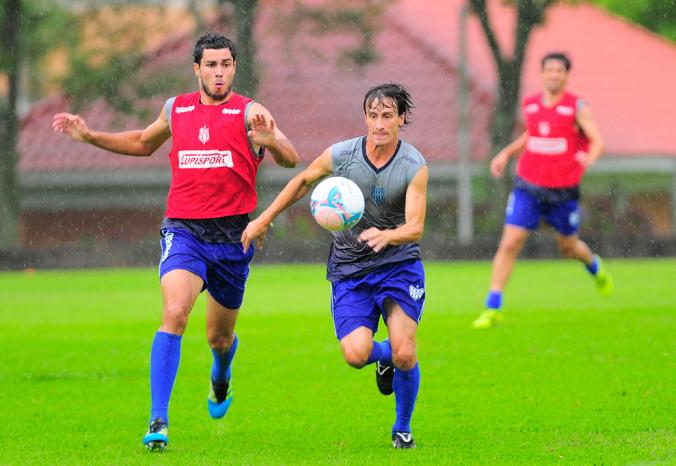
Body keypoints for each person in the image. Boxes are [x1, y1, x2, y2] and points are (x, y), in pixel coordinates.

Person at [52, 33, 299, 451]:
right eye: (211, 65)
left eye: (226, 64)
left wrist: (272, 141)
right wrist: (91, 136)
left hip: (233, 238)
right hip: (183, 230)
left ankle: (221, 375)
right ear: (197, 69)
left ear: (234, 68)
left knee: (219, 339)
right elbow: (143, 143)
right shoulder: (177, 108)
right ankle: (158, 419)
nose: (219, 72)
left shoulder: (249, 112)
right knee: (174, 311)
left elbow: (291, 158)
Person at [241, 83, 428, 449]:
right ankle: (384, 358)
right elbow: (303, 180)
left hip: (398, 266)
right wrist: (263, 218)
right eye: (372, 116)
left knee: (406, 351)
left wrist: (388, 236)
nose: (378, 124)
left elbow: (416, 226)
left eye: (387, 116)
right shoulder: (343, 155)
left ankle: (402, 427)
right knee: (356, 354)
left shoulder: (413, 165)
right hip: (350, 270)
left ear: (401, 119)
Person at [472, 52, 613, 330]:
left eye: (559, 70)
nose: (553, 74)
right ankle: (493, 307)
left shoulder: (576, 107)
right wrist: (506, 153)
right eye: (548, 69)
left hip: (563, 192)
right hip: (529, 187)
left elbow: (597, 141)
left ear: (566, 75)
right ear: (542, 73)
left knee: (569, 247)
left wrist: (590, 157)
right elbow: (533, 135)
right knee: (510, 243)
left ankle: (594, 267)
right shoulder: (531, 105)